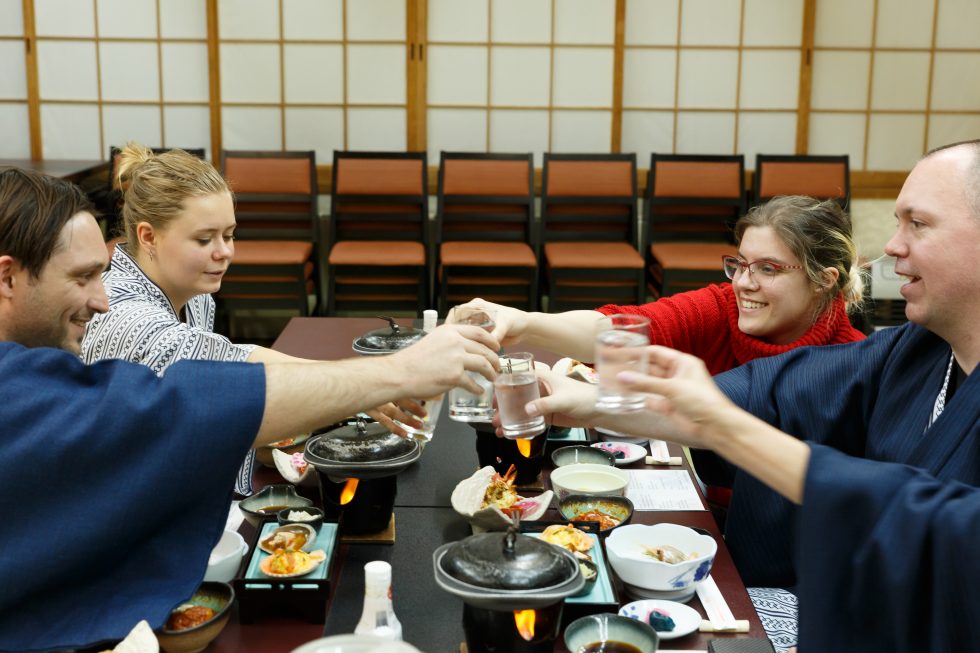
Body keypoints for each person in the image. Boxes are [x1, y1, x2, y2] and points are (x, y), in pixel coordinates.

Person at [0, 166, 499, 652]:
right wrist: (398, 371)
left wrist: (359, 390)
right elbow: (209, 383)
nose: (101, 299)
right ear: (8, 278)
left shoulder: (183, 291)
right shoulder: (121, 320)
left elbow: (216, 371)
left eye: (230, 234)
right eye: (83, 277)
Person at [525, 140, 980, 652]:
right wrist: (588, 400)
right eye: (741, 265)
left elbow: (952, 529)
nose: (892, 246)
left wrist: (722, 425)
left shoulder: (880, 344)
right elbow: (772, 389)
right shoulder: (914, 350)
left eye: (916, 224)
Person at [459, 195, 867, 649]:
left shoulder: (850, 366)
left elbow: (723, 417)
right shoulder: (726, 310)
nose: (744, 284)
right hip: (718, 524)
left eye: (768, 269)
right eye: (740, 264)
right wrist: (523, 321)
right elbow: (623, 331)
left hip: (794, 566)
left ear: (823, 280)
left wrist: (592, 401)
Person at [80, 144, 423, 495]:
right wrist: (369, 384)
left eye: (229, 235)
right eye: (204, 239)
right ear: (148, 236)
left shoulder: (191, 291)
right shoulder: (119, 310)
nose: (225, 252)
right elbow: (226, 364)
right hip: (114, 495)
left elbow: (199, 401)